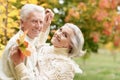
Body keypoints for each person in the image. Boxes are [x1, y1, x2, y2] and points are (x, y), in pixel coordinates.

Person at [0, 4, 54, 80]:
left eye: (41, 22)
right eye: (34, 21)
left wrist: (44, 27)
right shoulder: (21, 44)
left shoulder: (27, 38)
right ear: (22, 23)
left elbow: (37, 44)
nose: (38, 26)